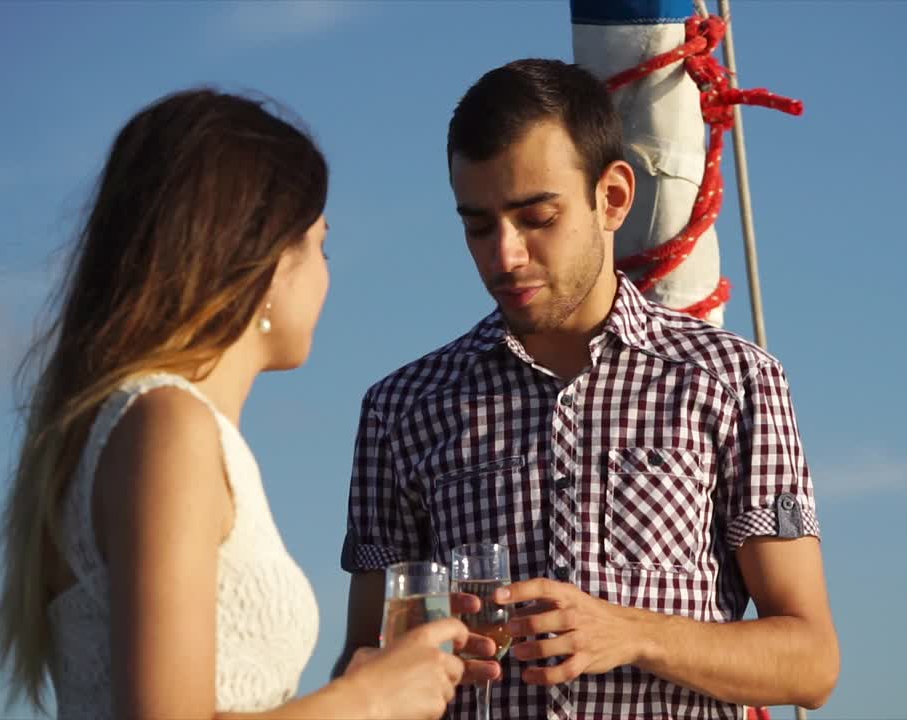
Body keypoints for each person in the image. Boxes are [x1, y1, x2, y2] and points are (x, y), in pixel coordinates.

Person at [336, 59, 840, 720]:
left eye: (536, 217)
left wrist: (631, 632)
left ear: (613, 198)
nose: (505, 256)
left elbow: (810, 661)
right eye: (478, 226)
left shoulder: (735, 383)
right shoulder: (400, 410)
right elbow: (363, 662)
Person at [0, 88, 485, 720]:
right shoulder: (167, 425)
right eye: (321, 246)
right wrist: (367, 699)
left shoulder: (135, 426)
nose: (329, 276)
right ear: (271, 262)